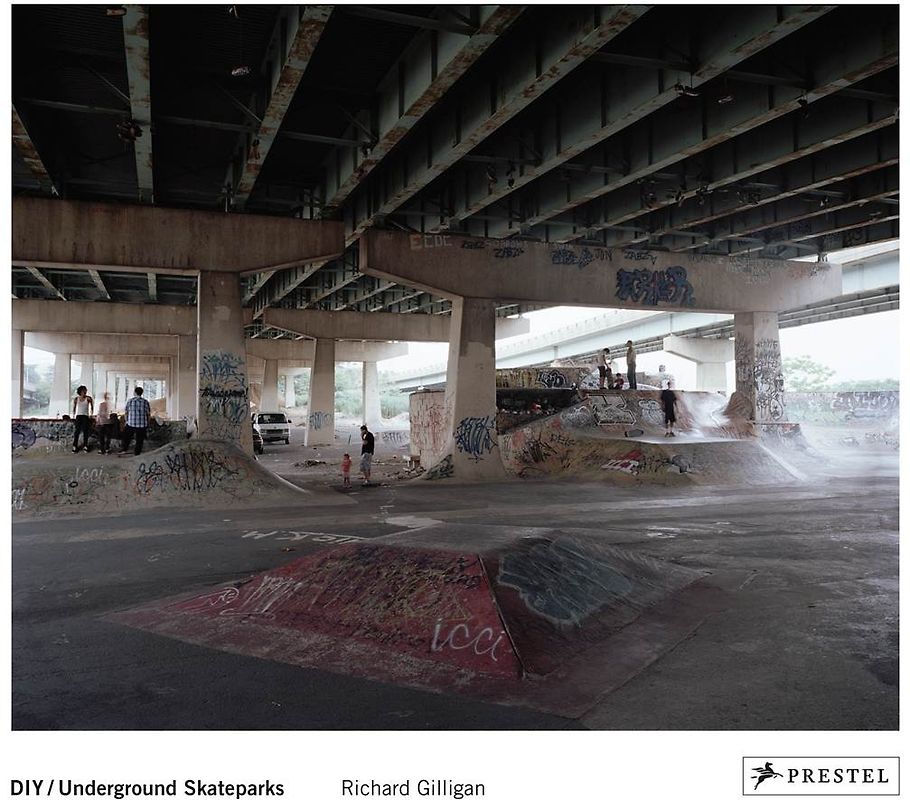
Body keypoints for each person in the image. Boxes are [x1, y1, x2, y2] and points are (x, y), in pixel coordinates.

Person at [121, 386, 151, 456]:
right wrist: (148, 423)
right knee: (139, 440)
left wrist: (126, 421)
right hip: (142, 424)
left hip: (131, 423)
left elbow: (126, 412)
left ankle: (124, 449)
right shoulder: (145, 402)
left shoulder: (130, 401)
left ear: (135, 393)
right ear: (142, 393)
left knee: (126, 437)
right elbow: (148, 414)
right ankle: (137, 453)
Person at [71, 385, 94, 453]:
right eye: (84, 390)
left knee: (85, 431)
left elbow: (92, 407)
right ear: (80, 391)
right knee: (77, 432)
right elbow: (74, 408)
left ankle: (85, 446)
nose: (85, 392)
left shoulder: (89, 398)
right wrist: (73, 416)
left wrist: (91, 415)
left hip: (85, 416)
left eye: (85, 390)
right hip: (78, 416)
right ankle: (75, 446)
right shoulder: (76, 399)